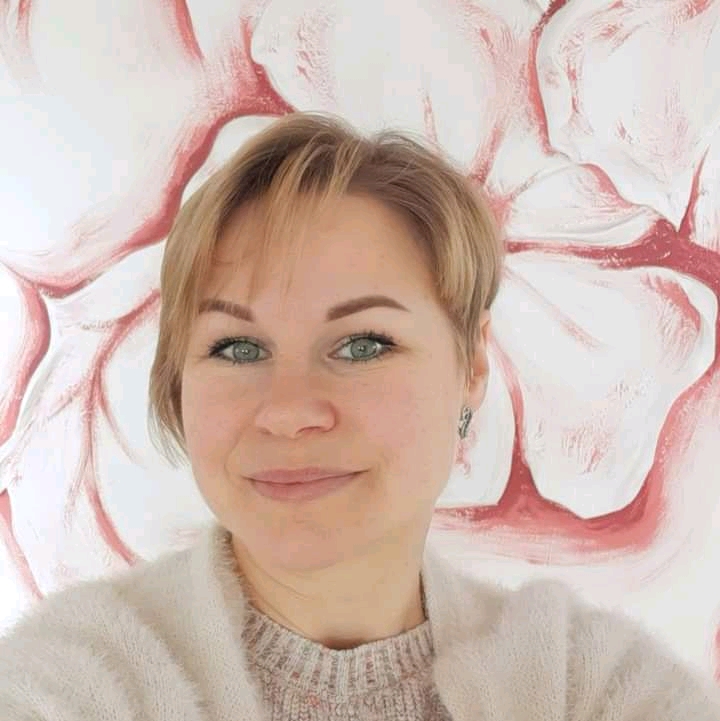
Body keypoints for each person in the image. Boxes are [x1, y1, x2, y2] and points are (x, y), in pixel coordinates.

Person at [0, 112, 718, 721]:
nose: (289, 411)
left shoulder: (591, 688)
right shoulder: (64, 688)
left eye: (363, 344)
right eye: (238, 347)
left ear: (470, 368)